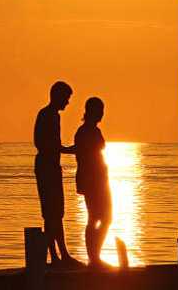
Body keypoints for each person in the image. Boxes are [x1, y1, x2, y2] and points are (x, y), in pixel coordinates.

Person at [33, 81, 80, 267]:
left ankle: (59, 255)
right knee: (51, 213)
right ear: (58, 96)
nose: (68, 102)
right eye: (66, 98)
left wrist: (65, 150)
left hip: (51, 166)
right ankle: (57, 256)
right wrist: (68, 150)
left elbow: (52, 145)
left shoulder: (53, 116)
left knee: (56, 213)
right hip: (46, 167)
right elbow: (42, 143)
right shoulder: (47, 115)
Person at [73, 97, 112, 270]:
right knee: (95, 217)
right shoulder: (85, 132)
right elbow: (83, 156)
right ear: (92, 111)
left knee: (105, 218)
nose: (102, 114)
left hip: (100, 180)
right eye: (100, 111)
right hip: (92, 181)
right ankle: (93, 257)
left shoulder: (94, 130)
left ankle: (95, 255)